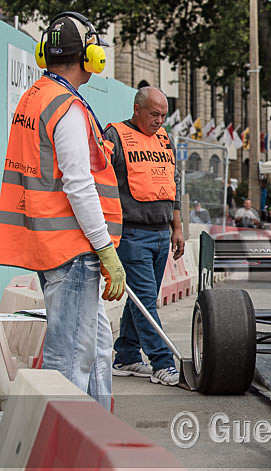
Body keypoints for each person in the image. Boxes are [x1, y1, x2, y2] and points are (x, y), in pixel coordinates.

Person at [0, 13, 124, 406]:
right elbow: (78, 183)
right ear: (89, 56)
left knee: (97, 348)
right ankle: (69, 458)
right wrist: (105, 248)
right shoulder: (66, 106)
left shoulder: (36, 95)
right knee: (69, 358)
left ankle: (100, 434)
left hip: (55, 247)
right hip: (71, 249)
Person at [104, 86, 184, 386]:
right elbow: (100, 182)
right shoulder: (114, 137)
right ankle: (162, 362)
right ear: (137, 109)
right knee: (146, 301)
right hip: (132, 235)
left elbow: (174, 185)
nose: (159, 121)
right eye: (154, 114)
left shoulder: (166, 140)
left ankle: (125, 356)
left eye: (163, 115)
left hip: (162, 233)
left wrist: (177, 227)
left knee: (139, 300)